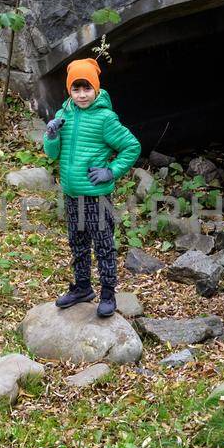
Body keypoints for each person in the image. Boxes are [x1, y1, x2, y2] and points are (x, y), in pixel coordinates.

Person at [44, 58, 140, 318]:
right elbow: (52, 154)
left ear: (96, 89)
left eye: (87, 89)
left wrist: (112, 170)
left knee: (103, 244)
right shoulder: (63, 115)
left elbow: (132, 146)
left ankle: (108, 293)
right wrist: (51, 134)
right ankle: (83, 288)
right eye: (76, 89)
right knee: (77, 242)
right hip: (72, 193)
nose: (82, 95)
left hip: (96, 196)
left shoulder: (105, 118)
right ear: (69, 90)